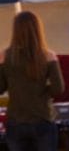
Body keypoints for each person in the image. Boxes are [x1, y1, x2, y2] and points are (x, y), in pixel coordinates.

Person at [0, 11, 64, 151]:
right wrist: (42, 92)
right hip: (43, 117)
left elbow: (1, 87)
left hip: (16, 119)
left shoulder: (6, 56)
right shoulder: (48, 56)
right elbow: (58, 88)